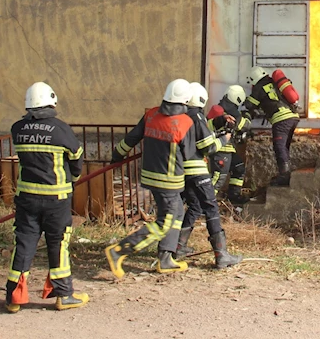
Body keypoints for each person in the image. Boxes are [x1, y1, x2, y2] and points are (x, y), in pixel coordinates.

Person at [5, 82, 88, 313]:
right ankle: (63, 295)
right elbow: (76, 157)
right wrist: (74, 176)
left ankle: (14, 298)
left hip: (26, 198)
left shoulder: (17, 129)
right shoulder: (61, 129)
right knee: (58, 244)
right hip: (56, 199)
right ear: (52, 102)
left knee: (23, 243)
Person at [104, 79, 196, 278]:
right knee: (165, 222)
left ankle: (166, 258)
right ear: (185, 101)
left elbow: (131, 138)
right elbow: (189, 154)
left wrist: (117, 155)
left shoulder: (151, 114)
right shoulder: (186, 122)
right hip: (170, 181)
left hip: (150, 177)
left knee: (177, 213)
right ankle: (119, 251)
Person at [174, 83, 243, 268]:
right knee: (210, 206)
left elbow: (203, 127)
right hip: (196, 169)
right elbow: (208, 146)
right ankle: (221, 255)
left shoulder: (184, 115)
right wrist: (224, 139)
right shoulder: (196, 115)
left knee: (195, 205)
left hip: (183, 170)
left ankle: (179, 246)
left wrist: (220, 121)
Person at [245, 66, 299, 186]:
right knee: (284, 147)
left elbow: (250, 104)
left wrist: (246, 101)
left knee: (279, 147)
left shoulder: (258, 87)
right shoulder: (274, 82)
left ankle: (284, 177)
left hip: (281, 120)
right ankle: (286, 173)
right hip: (293, 117)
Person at [206, 85, 253, 205]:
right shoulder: (229, 111)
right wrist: (247, 115)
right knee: (218, 178)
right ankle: (204, 202)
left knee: (239, 168)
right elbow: (244, 125)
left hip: (228, 149)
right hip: (220, 150)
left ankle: (234, 195)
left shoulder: (219, 108)